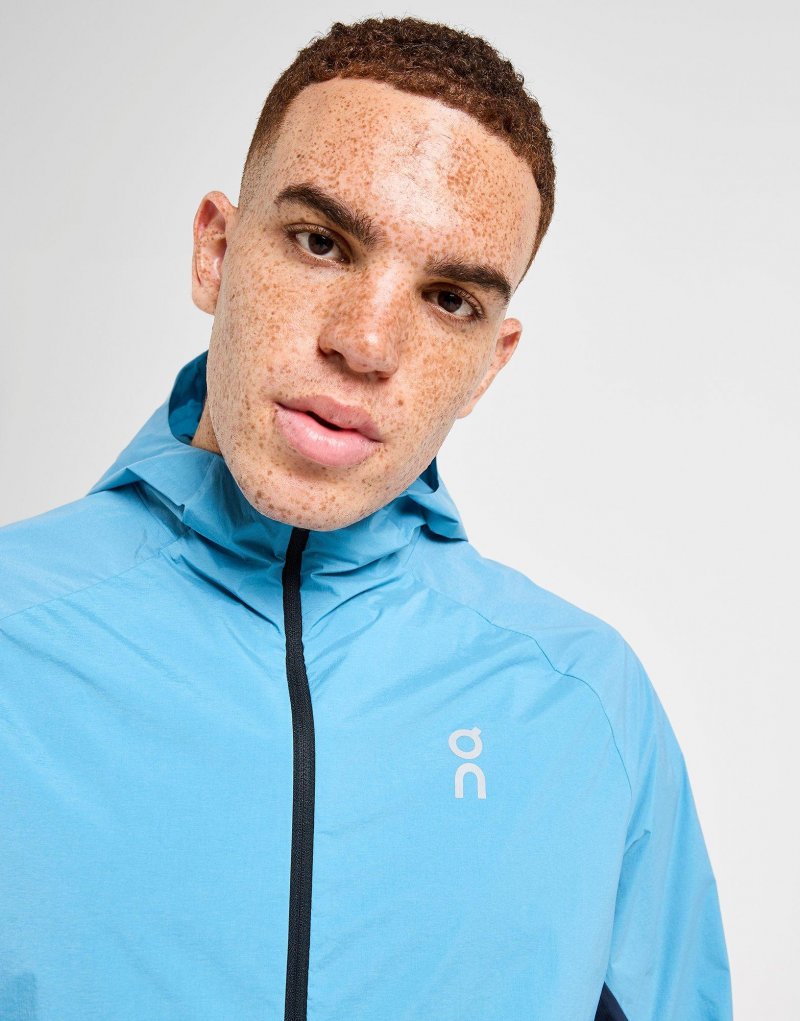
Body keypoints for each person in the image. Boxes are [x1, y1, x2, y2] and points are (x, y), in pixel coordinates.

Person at [0, 15, 732, 1021]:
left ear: (489, 365)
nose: (366, 344)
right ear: (215, 250)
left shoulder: (584, 707)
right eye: (321, 243)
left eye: (449, 299)